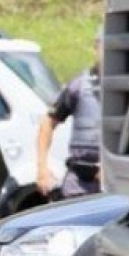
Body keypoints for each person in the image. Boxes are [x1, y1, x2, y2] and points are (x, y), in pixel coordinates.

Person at [36, 28, 103, 199]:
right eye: (103, 47)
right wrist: (42, 168)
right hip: (79, 183)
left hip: (113, 182)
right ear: (96, 48)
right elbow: (48, 123)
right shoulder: (78, 86)